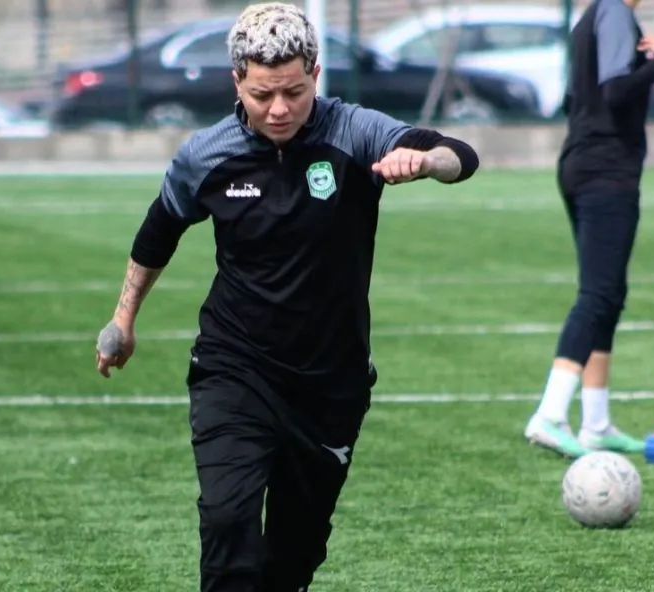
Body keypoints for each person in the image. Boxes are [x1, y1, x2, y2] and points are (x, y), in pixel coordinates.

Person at [94, 3, 479, 590]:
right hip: (234, 367)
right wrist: (124, 319)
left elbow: (460, 155)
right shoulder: (207, 155)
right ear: (237, 83)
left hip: (330, 383)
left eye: (294, 92)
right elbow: (158, 231)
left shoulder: (353, 132)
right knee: (227, 524)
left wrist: (425, 160)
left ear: (315, 76)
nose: (279, 109)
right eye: (262, 94)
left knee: (294, 557)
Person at [524, 0, 654, 458]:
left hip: (583, 164)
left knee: (610, 293)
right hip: (605, 172)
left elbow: (575, 98)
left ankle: (596, 423)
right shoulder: (614, 12)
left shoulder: (591, 15)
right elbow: (615, 92)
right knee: (599, 294)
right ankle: (550, 414)